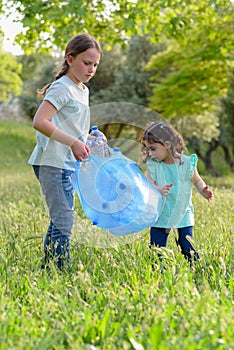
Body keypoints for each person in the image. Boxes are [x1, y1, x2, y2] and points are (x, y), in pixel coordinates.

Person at [28, 33, 102, 271]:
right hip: (52, 161)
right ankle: (60, 270)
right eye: (86, 62)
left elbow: (71, 126)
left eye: (95, 64)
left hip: (67, 163)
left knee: (61, 217)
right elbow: (40, 121)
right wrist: (72, 142)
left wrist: (90, 138)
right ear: (70, 59)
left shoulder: (82, 90)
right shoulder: (62, 88)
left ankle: (47, 268)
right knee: (64, 219)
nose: (91, 69)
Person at [140, 121, 213, 267]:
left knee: (186, 244)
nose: (150, 153)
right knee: (157, 246)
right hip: (161, 212)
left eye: (153, 149)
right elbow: (147, 183)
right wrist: (157, 189)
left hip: (182, 211)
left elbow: (197, 180)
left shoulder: (186, 163)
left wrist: (203, 189)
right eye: (147, 149)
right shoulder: (154, 165)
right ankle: (156, 270)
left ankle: (196, 266)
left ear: (167, 145)